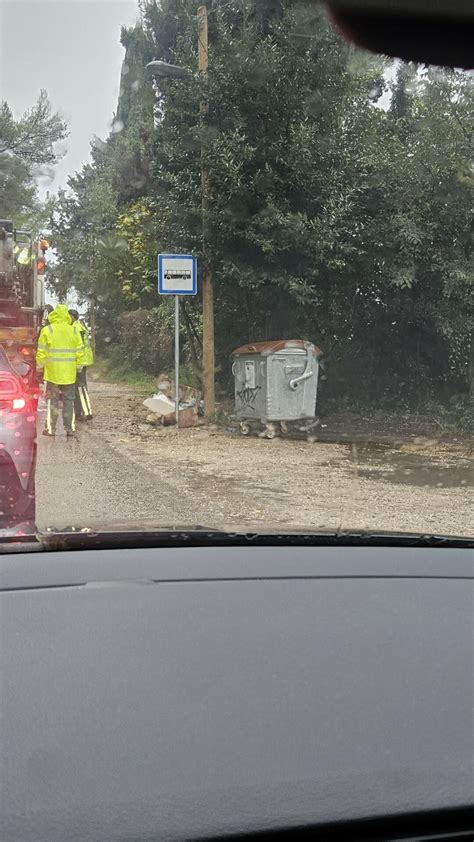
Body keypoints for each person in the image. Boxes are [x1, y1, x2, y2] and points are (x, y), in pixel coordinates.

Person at [36, 304, 84, 438]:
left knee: (53, 400)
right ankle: (70, 429)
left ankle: (51, 429)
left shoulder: (47, 330)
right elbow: (80, 352)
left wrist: (39, 368)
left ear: (54, 315)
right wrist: (78, 368)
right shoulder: (73, 330)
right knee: (69, 401)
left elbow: (41, 352)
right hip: (69, 374)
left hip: (53, 373)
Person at [69, 309, 94, 421]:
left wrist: (77, 362)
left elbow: (77, 347)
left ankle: (86, 412)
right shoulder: (79, 326)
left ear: (72, 317)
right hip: (81, 360)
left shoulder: (75, 328)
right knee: (78, 387)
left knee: (80, 387)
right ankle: (79, 411)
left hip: (79, 361)